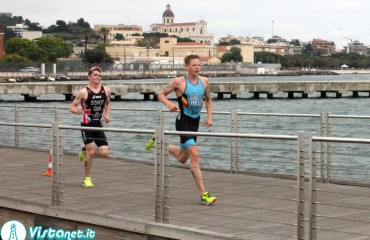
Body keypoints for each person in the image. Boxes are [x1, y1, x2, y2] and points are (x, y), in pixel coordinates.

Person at [146, 55, 216, 205]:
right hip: (183, 122)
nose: (197, 67)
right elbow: (161, 95)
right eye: (194, 65)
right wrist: (169, 105)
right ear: (186, 67)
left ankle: (158, 141)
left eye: (199, 65)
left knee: (182, 158)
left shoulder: (204, 81)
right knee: (195, 155)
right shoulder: (179, 82)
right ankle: (204, 194)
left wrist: (209, 117)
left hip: (195, 123)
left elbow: (209, 100)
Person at [70, 66, 111, 188]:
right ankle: (87, 179)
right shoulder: (84, 92)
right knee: (91, 152)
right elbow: (72, 106)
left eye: (99, 75)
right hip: (86, 125)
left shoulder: (106, 90)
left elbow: (108, 103)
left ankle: (84, 150)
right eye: (95, 75)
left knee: (104, 153)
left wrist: (107, 115)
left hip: (98, 125)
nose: (98, 77)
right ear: (89, 77)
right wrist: (75, 110)